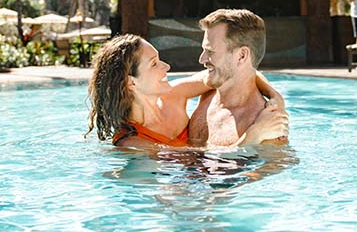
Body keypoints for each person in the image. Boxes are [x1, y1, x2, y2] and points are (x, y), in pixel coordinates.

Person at [86, 34, 287, 149]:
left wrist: (275, 97)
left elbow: (230, 72)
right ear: (131, 83)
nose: (166, 67)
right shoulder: (131, 142)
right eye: (154, 64)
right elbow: (200, 159)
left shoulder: (175, 95)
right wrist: (254, 134)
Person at [189, 9, 289, 147]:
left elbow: (271, 167)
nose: (202, 59)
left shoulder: (267, 125)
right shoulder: (207, 94)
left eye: (210, 51)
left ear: (242, 55)